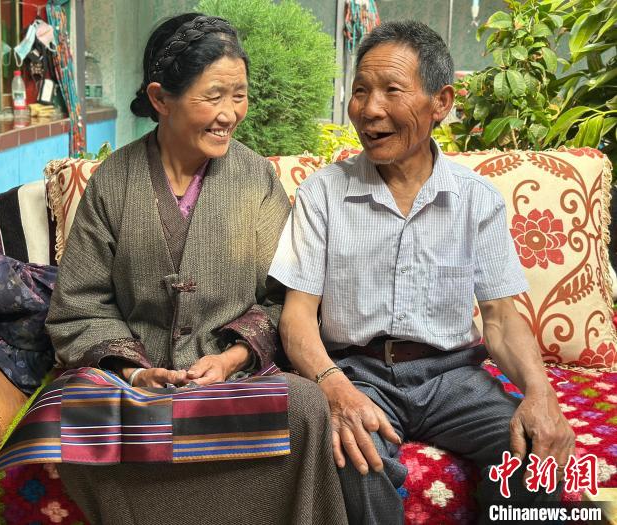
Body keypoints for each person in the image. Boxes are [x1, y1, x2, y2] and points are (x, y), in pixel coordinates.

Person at [269, 20, 575, 524]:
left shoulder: (476, 199)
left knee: (534, 458)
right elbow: (296, 318)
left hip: (454, 376)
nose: (370, 109)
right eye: (360, 91)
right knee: (354, 460)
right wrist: (336, 390)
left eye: (392, 90)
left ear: (441, 102)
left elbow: (500, 319)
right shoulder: (323, 194)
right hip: (358, 373)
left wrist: (542, 396)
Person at [45, 13, 346, 525]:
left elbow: (283, 300)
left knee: (304, 408)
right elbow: (80, 305)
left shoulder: (256, 180)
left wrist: (229, 360)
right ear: (161, 99)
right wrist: (136, 371)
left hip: (232, 382)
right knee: (74, 415)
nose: (230, 114)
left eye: (239, 95)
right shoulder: (113, 182)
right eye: (214, 96)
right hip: (137, 389)